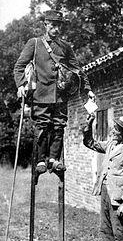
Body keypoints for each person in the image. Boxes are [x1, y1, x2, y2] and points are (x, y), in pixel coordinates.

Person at [14, 10, 95, 174]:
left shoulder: (65, 47)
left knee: (59, 126)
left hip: (60, 96)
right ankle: (41, 160)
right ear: (46, 25)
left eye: (59, 26)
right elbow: (19, 67)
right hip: (40, 95)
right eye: (53, 25)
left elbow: (77, 69)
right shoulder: (35, 43)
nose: (56, 29)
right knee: (42, 126)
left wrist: (88, 89)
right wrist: (21, 85)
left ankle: (54, 159)